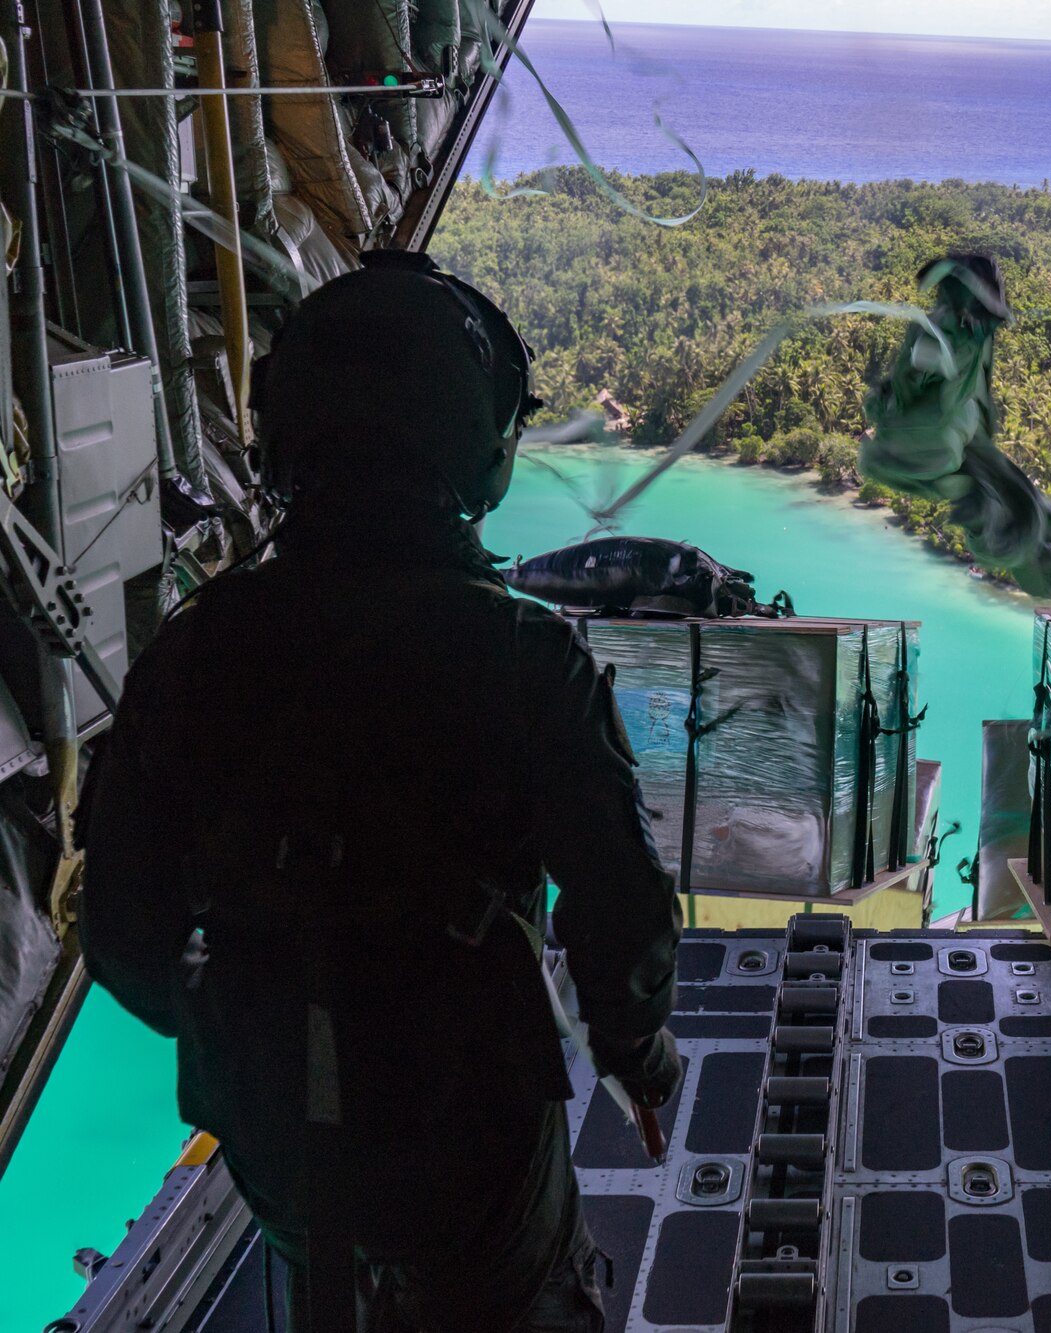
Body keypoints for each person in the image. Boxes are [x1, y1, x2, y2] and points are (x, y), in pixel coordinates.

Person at [79, 251, 683, 1333]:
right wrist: (643, 1060)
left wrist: (251, 1015)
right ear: (478, 448)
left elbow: (122, 935)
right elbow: (621, 912)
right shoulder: (524, 658)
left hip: (272, 1121)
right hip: (467, 1131)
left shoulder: (192, 653)